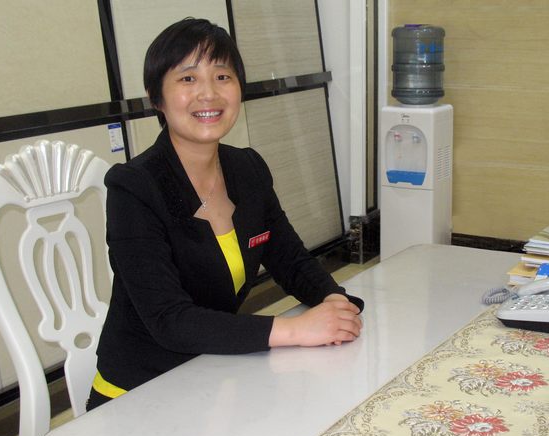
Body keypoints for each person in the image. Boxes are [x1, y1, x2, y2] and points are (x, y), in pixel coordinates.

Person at [87, 18, 363, 410]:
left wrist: (335, 302)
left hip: (213, 375)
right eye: (187, 79)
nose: (208, 93)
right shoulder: (134, 188)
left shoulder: (247, 169)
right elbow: (171, 320)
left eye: (222, 76)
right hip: (138, 394)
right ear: (156, 98)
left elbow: (291, 261)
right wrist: (296, 329)